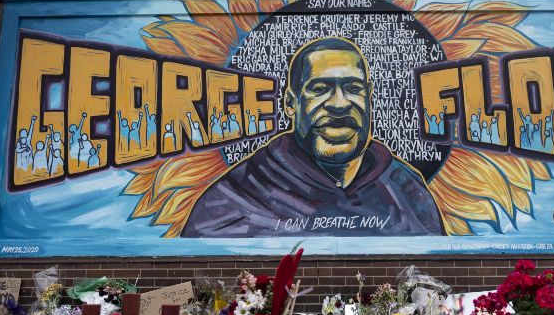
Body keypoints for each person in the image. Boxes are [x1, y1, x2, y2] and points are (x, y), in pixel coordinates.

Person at [182, 37, 443, 237]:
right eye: (320, 89)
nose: (340, 104)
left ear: (369, 97)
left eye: (353, 88)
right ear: (290, 103)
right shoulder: (237, 196)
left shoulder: (406, 190)